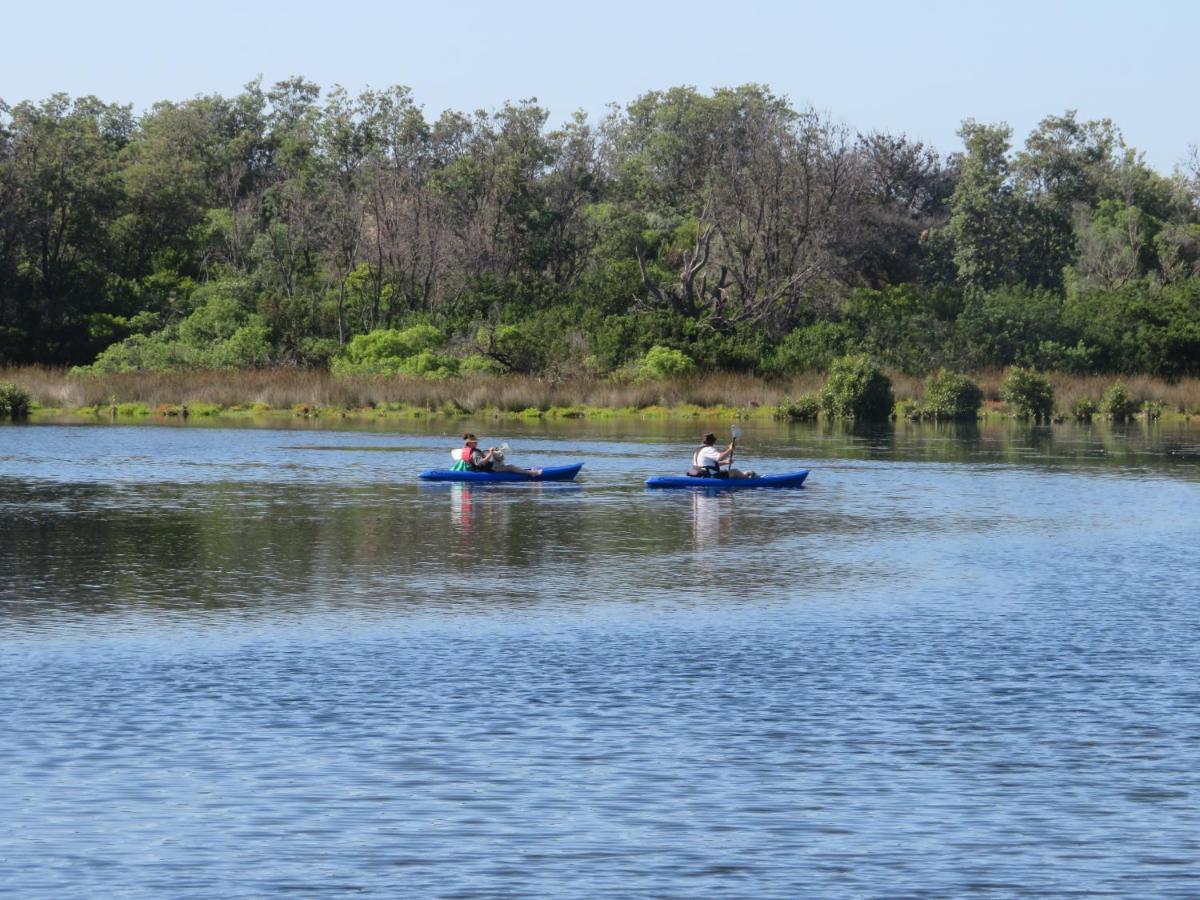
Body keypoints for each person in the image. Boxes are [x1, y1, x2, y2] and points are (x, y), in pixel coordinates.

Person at [450, 433, 541, 476]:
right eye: (474, 442)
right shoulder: (474, 453)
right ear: (469, 444)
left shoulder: (470, 450)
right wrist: (490, 453)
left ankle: (524, 471)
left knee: (498, 458)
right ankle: (531, 473)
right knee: (511, 467)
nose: (476, 443)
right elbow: (481, 463)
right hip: (492, 469)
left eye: (476, 442)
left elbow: (479, 460)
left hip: (487, 467)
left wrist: (491, 452)